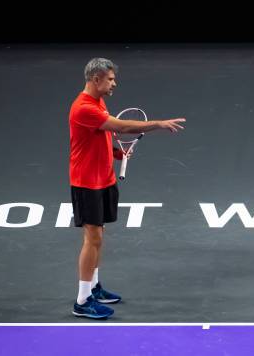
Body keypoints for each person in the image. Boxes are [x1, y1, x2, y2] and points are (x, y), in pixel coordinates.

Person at [69, 58, 185, 318]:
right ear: (96, 79)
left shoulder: (98, 101)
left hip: (104, 177)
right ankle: (82, 300)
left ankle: (94, 287)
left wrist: (115, 153)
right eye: (110, 79)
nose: (114, 83)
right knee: (93, 237)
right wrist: (158, 124)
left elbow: (101, 134)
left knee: (99, 234)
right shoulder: (83, 107)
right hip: (86, 181)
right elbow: (121, 127)